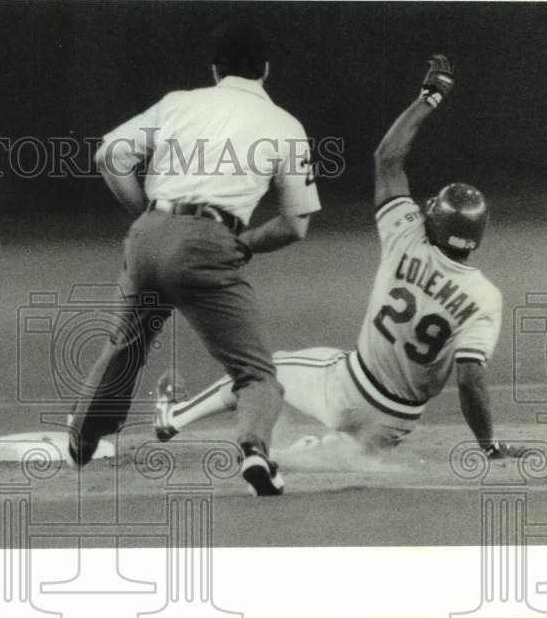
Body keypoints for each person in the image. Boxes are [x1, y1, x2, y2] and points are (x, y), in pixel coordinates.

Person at [153, 56, 524, 462]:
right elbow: (470, 379)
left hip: (348, 386)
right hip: (395, 423)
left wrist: (430, 97)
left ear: (435, 223)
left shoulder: (407, 236)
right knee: (328, 459)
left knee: (260, 371)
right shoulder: (485, 298)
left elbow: (387, 158)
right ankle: (301, 454)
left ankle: (173, 417)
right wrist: (487, 445)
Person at [67, 22, 322, 495]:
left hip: (147, 236)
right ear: (265, 70)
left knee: (127, 345)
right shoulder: (285, 125)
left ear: (214, 70)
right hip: (209, 240)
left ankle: (83, 434)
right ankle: (254, 452)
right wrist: (243, 245)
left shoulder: (178, 103)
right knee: (255, 373)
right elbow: (295, 224)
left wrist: (147, 213)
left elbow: (108, 156)